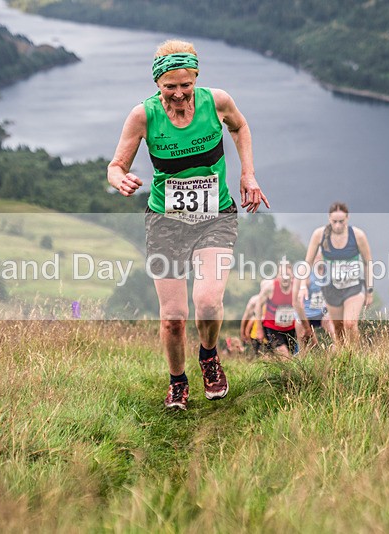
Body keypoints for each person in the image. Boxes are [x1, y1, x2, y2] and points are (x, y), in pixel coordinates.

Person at [108, 39, 269, 410]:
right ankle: (178, 381)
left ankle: (209, 357)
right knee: (174, 319)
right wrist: (119, 179)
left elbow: (240, 128)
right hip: (166, 222)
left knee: (209, 302)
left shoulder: (217, 102)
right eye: (170, 86)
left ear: (196, 77)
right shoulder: (143, 116)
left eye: (186, 85)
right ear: (157, 83)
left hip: (216, 215)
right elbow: (116, 165)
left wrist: (248, 174)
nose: (179, 94)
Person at [293, 202, 373, 347]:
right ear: (329, 218)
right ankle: (344, 358)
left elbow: (368, 263)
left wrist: (369, 291)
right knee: (338, 328)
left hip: (353, 288)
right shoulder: (319, 234)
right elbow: (307, 262)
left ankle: (356, 355)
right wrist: (303, 286)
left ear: (347, 218)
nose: (337, 225)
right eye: (334, 221)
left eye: (341, 221)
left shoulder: (357, 235)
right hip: (332, 290)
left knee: (349, 323)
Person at [255, 261, 297, 357]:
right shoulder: (270, 287)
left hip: (291, 328)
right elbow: (258, 305)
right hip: (272, 327)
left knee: (291, 355)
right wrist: (259, 329)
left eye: (288, 274)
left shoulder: (296, 287)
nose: (285, 277)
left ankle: (281, 371)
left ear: (292, 276)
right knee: (284, 355)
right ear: (277, 276)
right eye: (282, 275)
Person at [293, 260, 335, 352]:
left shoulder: (330, 270)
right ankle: (301, 360)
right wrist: (308, 329)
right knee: (305, 346)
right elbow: (295, 302)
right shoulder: (304, 270)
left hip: (321, 313)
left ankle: (338, 358)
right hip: (304, 314)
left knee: (337, 335)